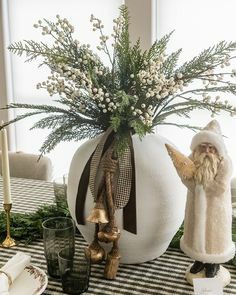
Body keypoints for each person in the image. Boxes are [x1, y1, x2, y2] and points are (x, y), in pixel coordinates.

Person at [179, 120, 235, 278]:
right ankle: (199, 259)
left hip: (216, 208)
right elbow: (186, 177)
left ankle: (213, 263)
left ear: (217, 149)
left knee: (213, 234)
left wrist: (201, 187)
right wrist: (189, 180)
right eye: (203, 147)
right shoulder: (192, 158)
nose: (207, 151)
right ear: (198, 147)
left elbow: (221, 186)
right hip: (195, 204)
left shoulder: (225, 162)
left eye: (211, 148)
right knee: (195, 231)